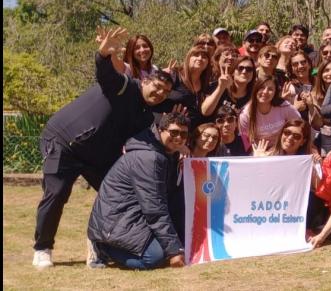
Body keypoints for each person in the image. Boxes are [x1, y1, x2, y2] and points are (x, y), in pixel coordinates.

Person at [32, 27, 173, 269]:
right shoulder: (125, 86)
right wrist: (103, 55)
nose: (159, 93)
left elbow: (152, 140)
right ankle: (43, 248)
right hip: (64, 142)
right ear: (146, 80)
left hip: (97, 157)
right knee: (56, 193)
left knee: (119, 196)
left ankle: (99, 243)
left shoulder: (144, 116)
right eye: (157, 87)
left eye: (165, 92)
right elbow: (106, 74)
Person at [87, 112, 189, 270]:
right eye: (174, 132)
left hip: (134, 212)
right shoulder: (150, 158)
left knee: (179, 203)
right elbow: (154, 208)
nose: (178, 138)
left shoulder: (166, 154)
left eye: (183, 134)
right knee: (154, 257)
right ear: (160, 129)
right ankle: (102, 247)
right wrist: (174, 250)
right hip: (116, 220)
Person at [239, 76, 302, 153]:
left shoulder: (284, 106)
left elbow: (300, 126)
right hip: (260, 154)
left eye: (270, 89)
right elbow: (247, 144)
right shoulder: (245, 114)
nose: (265, 92)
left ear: (275, 93)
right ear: (255, 89)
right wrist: (257, 154)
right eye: (262, 87)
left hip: (284, 150)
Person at [168, 46, 212, 118]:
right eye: (196, 55)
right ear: (188, 58)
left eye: (204, 57)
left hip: (196, 126)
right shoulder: (174, 75)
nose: (200, 58)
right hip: (170, 124)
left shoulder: (206, 84)